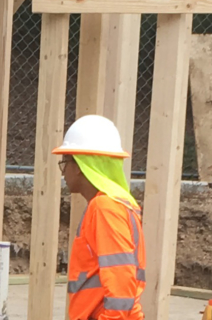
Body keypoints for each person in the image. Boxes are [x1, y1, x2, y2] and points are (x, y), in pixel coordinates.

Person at [55, 115, 146, 320]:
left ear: (78, 166)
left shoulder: (106, 207)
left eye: (64, 163)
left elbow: (121, 280)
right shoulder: (116, 204)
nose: (63, 172)